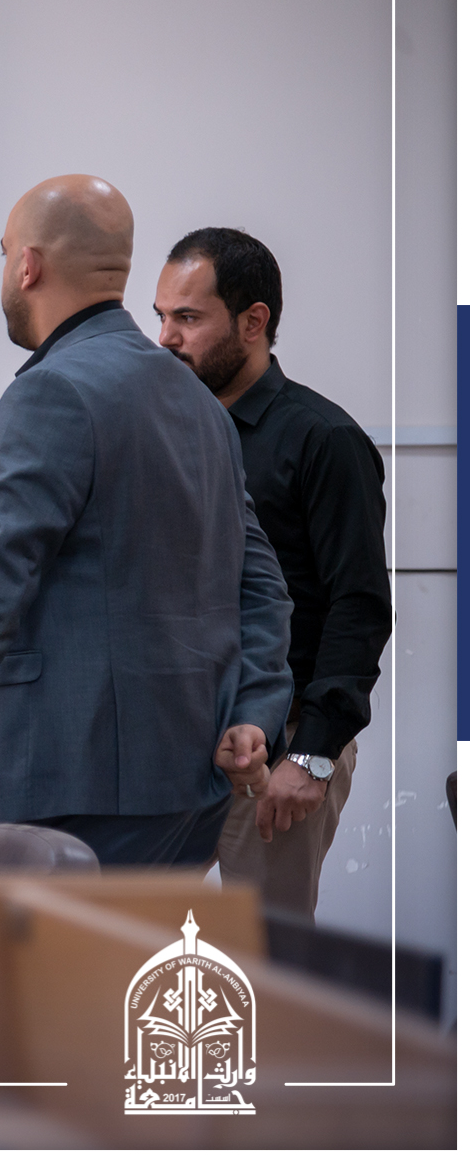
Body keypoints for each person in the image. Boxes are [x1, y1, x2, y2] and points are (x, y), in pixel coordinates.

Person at [0, 176, 294, 867]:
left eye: (6, 252)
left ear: (28, 265)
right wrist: (255, 712)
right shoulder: (198, 401)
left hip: (71, 783)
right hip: (191, 788)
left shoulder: (52, 392)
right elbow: (263, 586)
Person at [156, 227, 390, 915]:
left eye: (188, 318)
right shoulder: (165, 429)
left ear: (253, 321)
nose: (166, 338)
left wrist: (312, 755)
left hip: (282, 745)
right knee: (137, 942)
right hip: (175, 740)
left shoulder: (324, 438)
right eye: (161, 316)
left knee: (267, 954)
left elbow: (358, 605)